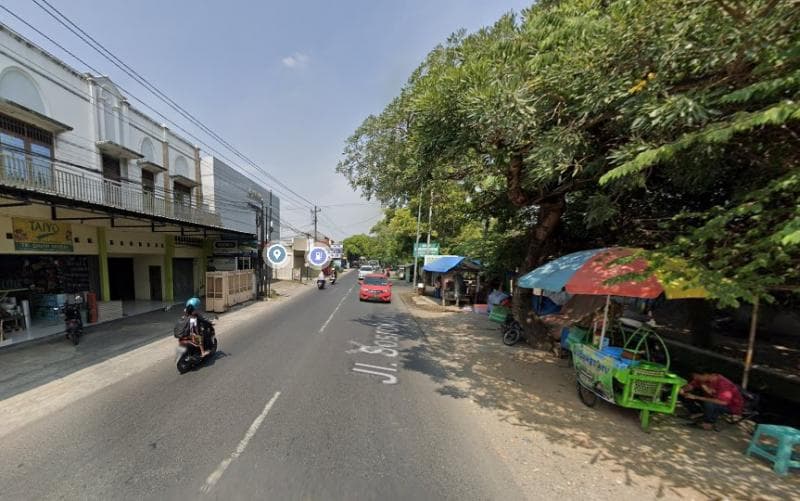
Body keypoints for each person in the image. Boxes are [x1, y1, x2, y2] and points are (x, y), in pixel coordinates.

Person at [679, 370, 743, 430]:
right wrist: (682, 390)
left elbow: (723, 402)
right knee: (686, 394)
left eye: (697, 376)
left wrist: (696, 397)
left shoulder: (723, 383)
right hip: (713, 399)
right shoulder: (702, 379)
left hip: (729, 406)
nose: (695, 378)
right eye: (694, 376)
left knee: (709, 403)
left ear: (707, 375)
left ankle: (708, 423)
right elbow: (691, 386)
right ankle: (696, 412)